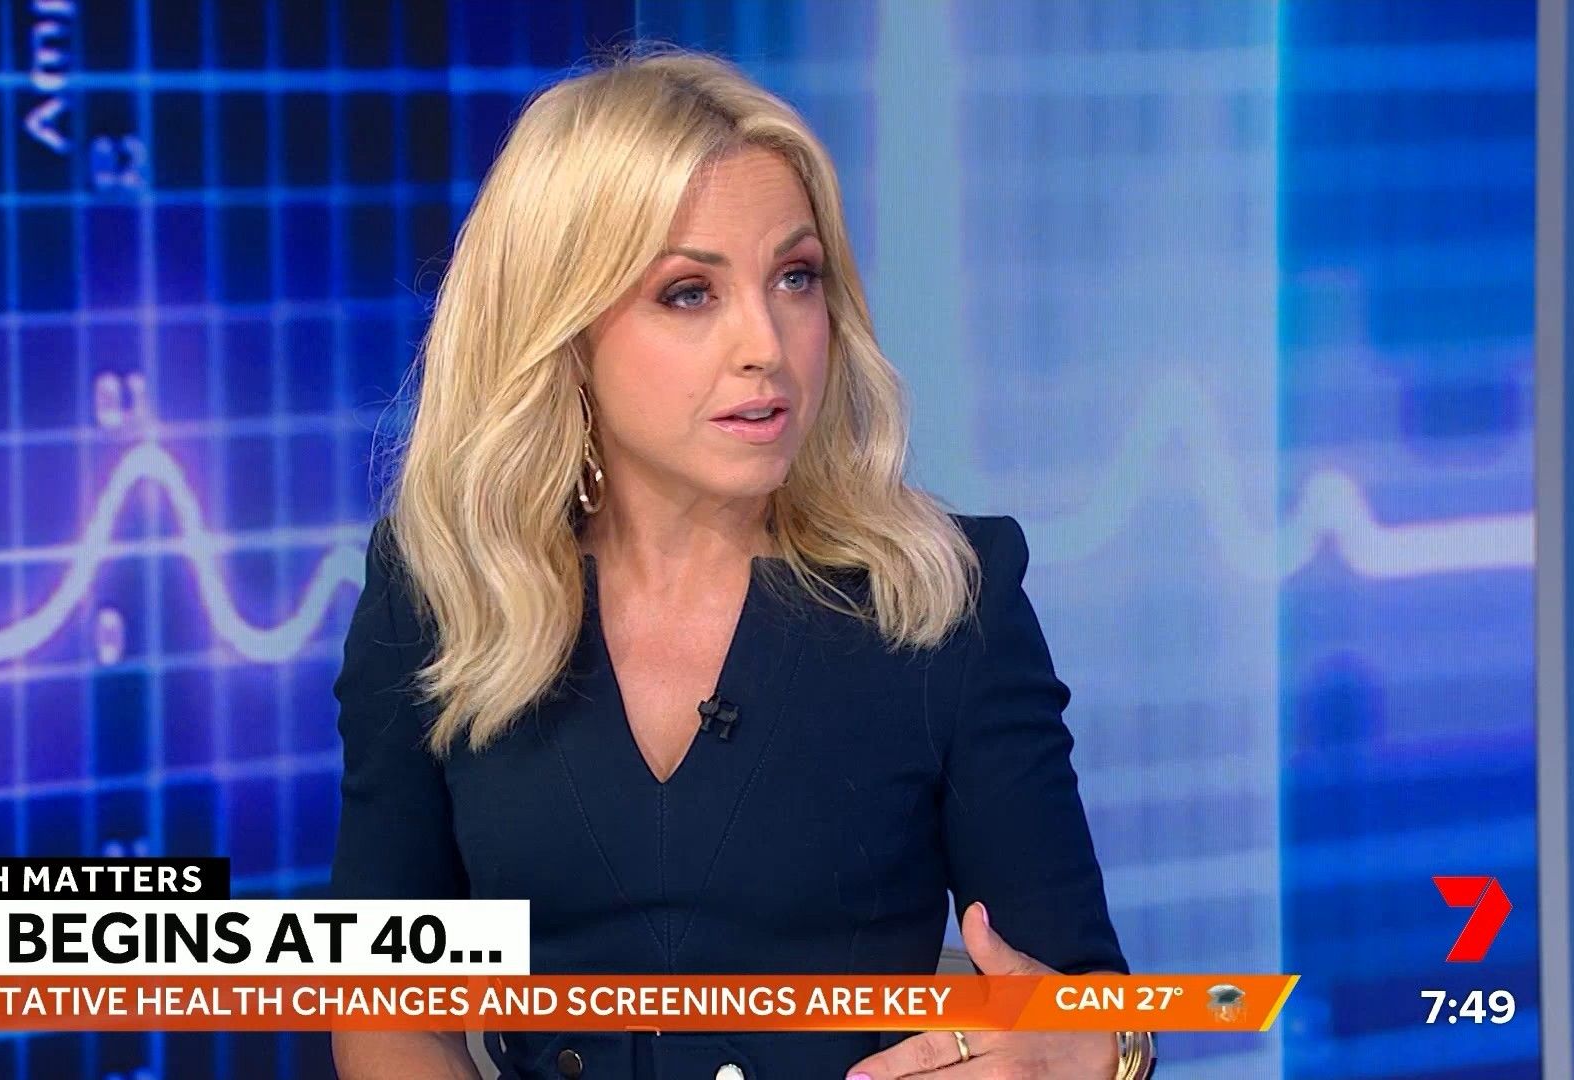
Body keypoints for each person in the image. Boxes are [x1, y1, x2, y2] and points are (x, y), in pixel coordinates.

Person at [330, 44, 1152, 1080]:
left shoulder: (945, 597)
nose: (766, 342)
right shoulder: (440, 592)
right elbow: (387, 1008)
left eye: (795, 278)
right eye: (689, 292)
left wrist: (1096, 1050)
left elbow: (1088, 1005)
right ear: (563, 329)